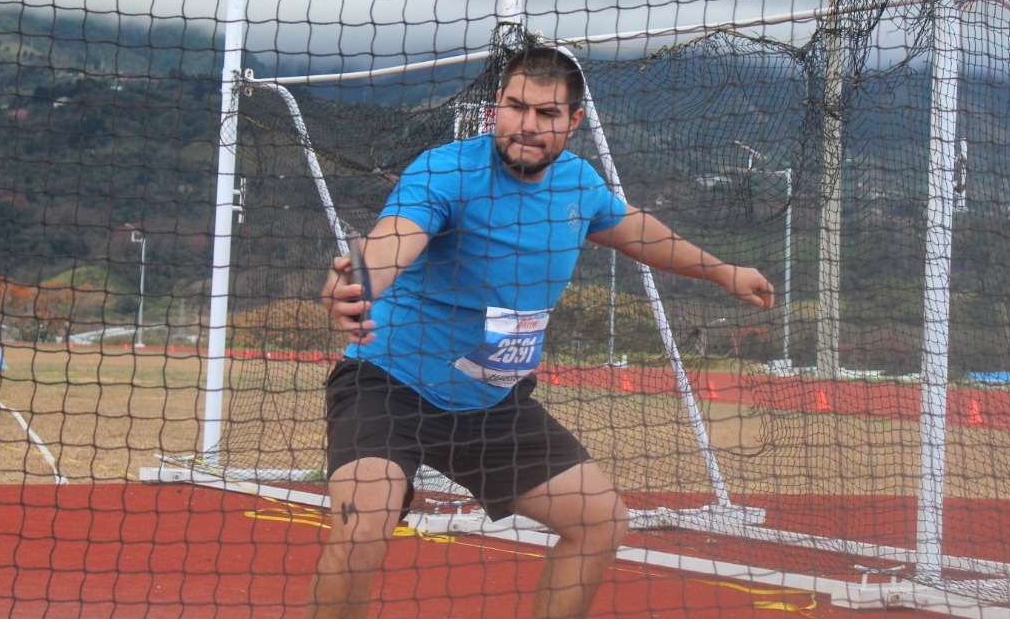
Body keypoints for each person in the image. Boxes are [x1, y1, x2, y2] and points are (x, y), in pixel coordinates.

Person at [309, 46, 774, 618]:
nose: (527, 126)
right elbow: (391, 240)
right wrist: (358, 281)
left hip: (490, 405)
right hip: (388, 386)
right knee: (363, 528)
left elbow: (638, 230)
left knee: (600, 521)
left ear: (573, 122)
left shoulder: (579, 185)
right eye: (516, 107)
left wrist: (725, 272)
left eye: (547, 114)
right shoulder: (445, 171)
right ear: (496, 108)